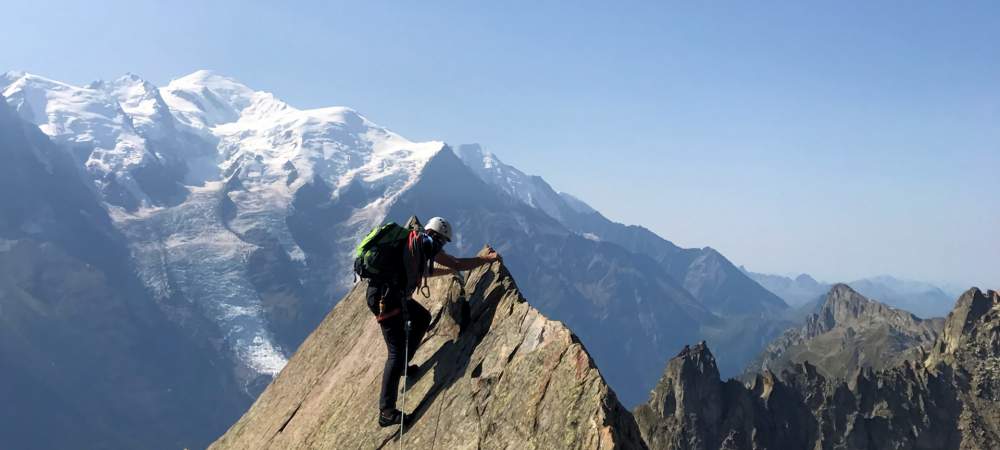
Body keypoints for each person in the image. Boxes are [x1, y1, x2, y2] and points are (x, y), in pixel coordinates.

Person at [364, 216, 500, 427]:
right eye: (443, 242)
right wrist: (485, 260)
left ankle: (402, 366)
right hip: (387, 300)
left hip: (390, 296)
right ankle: (386, 411)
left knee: (422, 317)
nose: (442, 247)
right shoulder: (426, 242)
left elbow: (423, 270)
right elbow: (456, 262)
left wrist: (448, 271)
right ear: (437, 235)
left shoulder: (415, 243)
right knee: (395, 352)